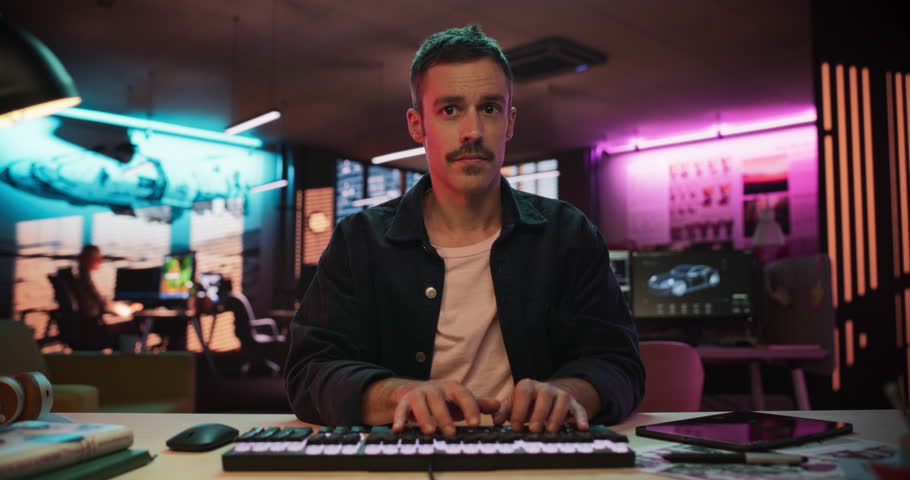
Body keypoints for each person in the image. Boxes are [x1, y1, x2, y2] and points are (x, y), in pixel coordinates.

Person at [285, 25, 644, 435]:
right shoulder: (359, 241)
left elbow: (620, 364)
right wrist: (397, 395)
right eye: (450, 110)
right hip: (406, 459)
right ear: (417, 125)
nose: (472, 131)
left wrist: (570, 392)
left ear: (509, 122)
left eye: (489, 108)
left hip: (541, 458)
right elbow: (309, 373)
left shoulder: (569, 235)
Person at [72, 245, 141, 349]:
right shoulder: (85, 282)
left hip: (88, 327)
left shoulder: (80, 279)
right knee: (132, 328)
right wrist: (129, 309)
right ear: (89, 260)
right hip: (92, 330)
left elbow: (100, 302)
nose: (100, 261)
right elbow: (102, 305)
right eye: (98, 258)